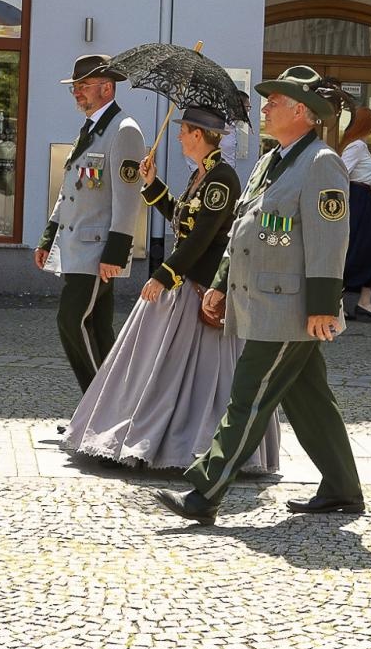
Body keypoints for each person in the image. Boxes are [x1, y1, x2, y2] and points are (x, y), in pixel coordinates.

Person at [156, 67, 362, 526]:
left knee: (248, 396)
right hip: (266, 299)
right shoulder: (273, 160)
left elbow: (331, 240)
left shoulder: (321, 162)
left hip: (291, 307)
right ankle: (343, 489)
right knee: (309, 399)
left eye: (275, 101)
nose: (265, 107)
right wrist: (220, 283)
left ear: (302, 112)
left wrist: (322, 307)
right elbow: (244, 230)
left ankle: (204, 494)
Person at [62, 108, 279, 473]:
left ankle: (187, 444)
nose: (178, 137)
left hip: (198, 288)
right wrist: (151, 184)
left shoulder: (222, 179)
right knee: (158, 366)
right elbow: (181, 217)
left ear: (198, 135)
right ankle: (150, 435)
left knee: (200, 374)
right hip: (183, 284)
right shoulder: (202, 174)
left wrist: (164, 275)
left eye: (184, 131)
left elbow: (201, 238)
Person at [35, 55, 146, 391]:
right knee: (97, 328)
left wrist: (116, 252)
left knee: (71, 320)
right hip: (76, 247)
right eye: (75, 87)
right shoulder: (92, 128)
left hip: (97, 251)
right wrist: (47, 238)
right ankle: (109, 408)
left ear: (106, 87)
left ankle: (97, 407)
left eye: (82, 86)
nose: (76, 93)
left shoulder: (124, 131)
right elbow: (70, 191)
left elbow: (128, 199)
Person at [339, 105, 371, 321]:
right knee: (361, 247)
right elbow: (342, 172)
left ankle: (364, 301)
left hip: (361, 197)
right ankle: (349, 302)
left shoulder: (358, 144)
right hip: (357, 198)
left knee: (367, 247)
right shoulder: (357, 146)